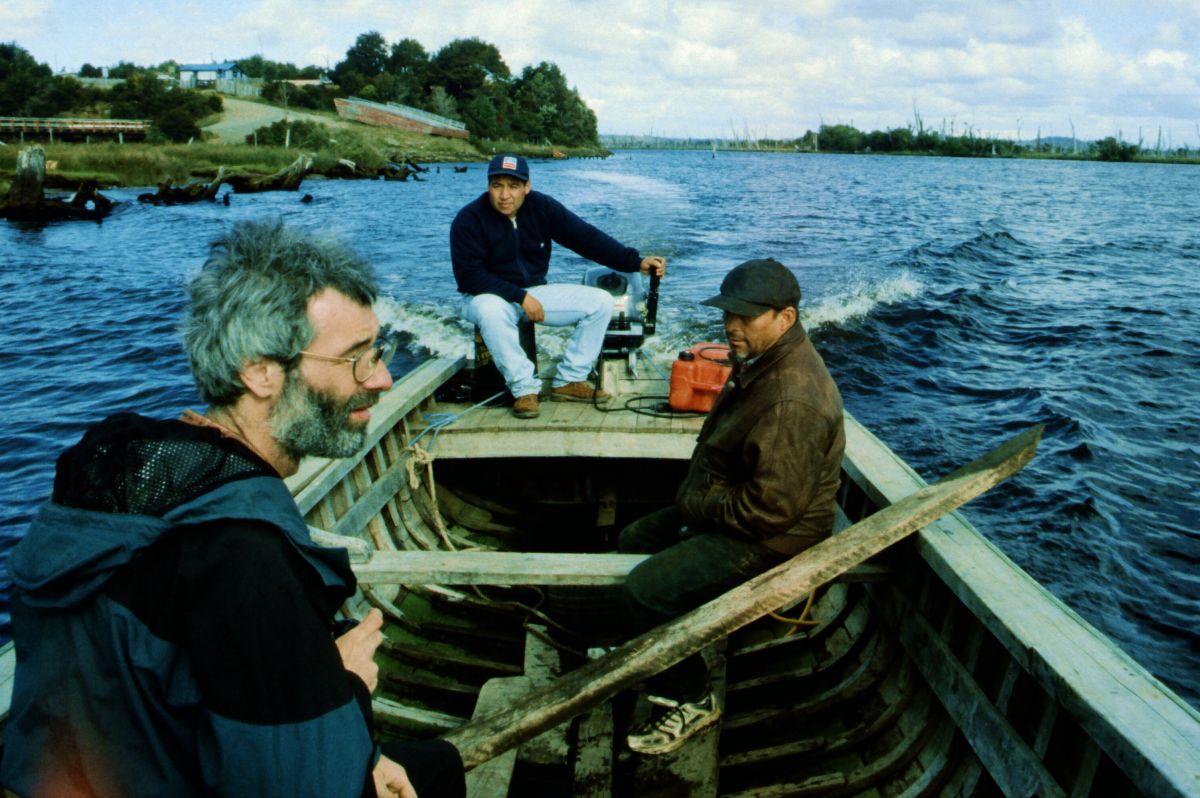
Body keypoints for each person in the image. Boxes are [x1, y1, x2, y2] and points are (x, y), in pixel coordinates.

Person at [0, 220, 465, 798]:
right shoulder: (248, 560)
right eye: (357, 359)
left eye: (379, 352)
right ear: (260, 371)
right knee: (442, 767)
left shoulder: (108, 480)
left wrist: (363, 748)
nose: (384, 377)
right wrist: (345, 686)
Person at [617, 258, 845, 755]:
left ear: (785, 318)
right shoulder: (764, 359)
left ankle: (693, 697)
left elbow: (771, 511)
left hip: (773, 536)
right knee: (630, 542)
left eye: (746, 317)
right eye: (728, 314)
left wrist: (699, 506)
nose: (730, 326)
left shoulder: (791, 398)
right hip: (735, 507)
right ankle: (656, 643)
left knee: (644, 591)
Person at [450, 153, 667, 419]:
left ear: (526, 186)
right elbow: (469, 277)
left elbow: (586, 238)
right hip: (484, 297)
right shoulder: (468, 219)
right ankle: (524, 390)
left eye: (513, 186)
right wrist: (519, 297)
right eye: (497, 185)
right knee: (491, 311)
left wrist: (635, 262)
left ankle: (569, 380)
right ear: (488, 186)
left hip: (532, 292)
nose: (505, 195)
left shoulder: (542, 208)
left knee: (600, 302)